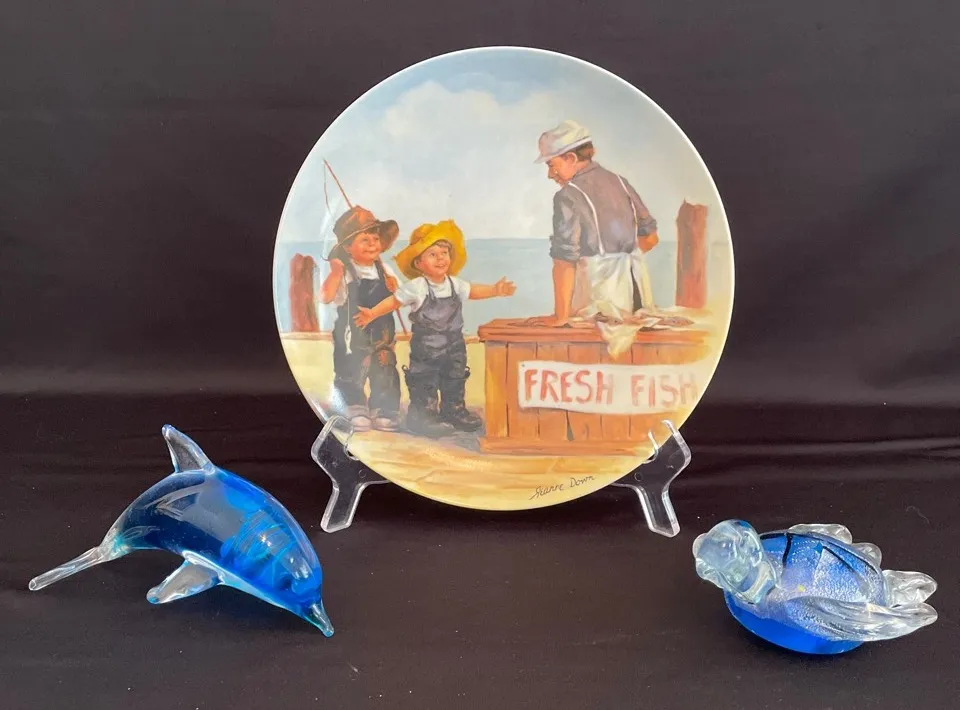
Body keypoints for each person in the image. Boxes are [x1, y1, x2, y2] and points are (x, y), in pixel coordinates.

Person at [355, 220, 516, 438]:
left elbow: (474, 291)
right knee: (425, 381)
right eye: (432, 254)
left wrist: (495, 290)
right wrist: (372, 313)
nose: (440, 258)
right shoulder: (418, 287)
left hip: (455, 345)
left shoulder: (455, 284)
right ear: (418, 263)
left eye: (444, 253)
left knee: (455, 378)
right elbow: (394, 302)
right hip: (426, 348)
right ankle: (422, 417)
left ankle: (453, 410)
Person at [528, 120, 660, 327]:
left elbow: (564, 261)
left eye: (551, 165)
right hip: (637, 300)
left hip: (596, 304)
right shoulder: (620, 182)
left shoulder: (568, 196)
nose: (550, 174)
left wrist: (560, 317)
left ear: (571, 158)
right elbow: (651, 238)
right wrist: (620, 259)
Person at [319, 205, 402, 433]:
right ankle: (354, 407)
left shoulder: (384, 269)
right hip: (351, 332)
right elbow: (325, 297)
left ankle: (384, 408)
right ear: (347, 247)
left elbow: (400, 298)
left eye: (375, 239)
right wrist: (335, 273)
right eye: (364, 240)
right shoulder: (345, 271)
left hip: (383, 330)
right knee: (352, 368)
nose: (373, 244)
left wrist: (394, 289)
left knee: (385, 365)